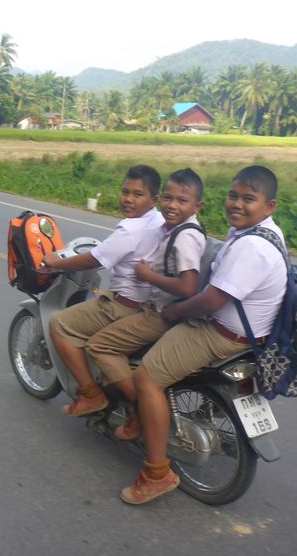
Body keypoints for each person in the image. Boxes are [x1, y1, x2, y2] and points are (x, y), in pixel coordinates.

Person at [121, 165, 287, 505]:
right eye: (233, 196)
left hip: (221, 335)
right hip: (253, 335)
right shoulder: (267, 234)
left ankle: (156, 474)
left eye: (248, 199)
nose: (237, 204)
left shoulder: (251, 247)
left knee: (146, 378)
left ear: (269, 206)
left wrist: (175, 311)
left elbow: (211, 301)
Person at [86, 168, 206, 440]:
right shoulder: (175, 229)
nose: (172, 205)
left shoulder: (184, 236)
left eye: (182, 201)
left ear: (197, 206)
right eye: (168, 198)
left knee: (100, 345)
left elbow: (188, 286)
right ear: (159, 199)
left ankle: (140, 411)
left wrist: (147, 276)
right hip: (162, 308)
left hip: (163, 314)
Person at [41, 165, 164, 417]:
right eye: (125, 192)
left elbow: (92, 260)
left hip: (123, 307)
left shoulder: (130, 229)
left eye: (137, 194)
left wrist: (56, 262)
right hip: (150, 304)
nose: (128, 199)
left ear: (154, 199)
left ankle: (91, 395)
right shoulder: (160, 221)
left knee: (59, 325)